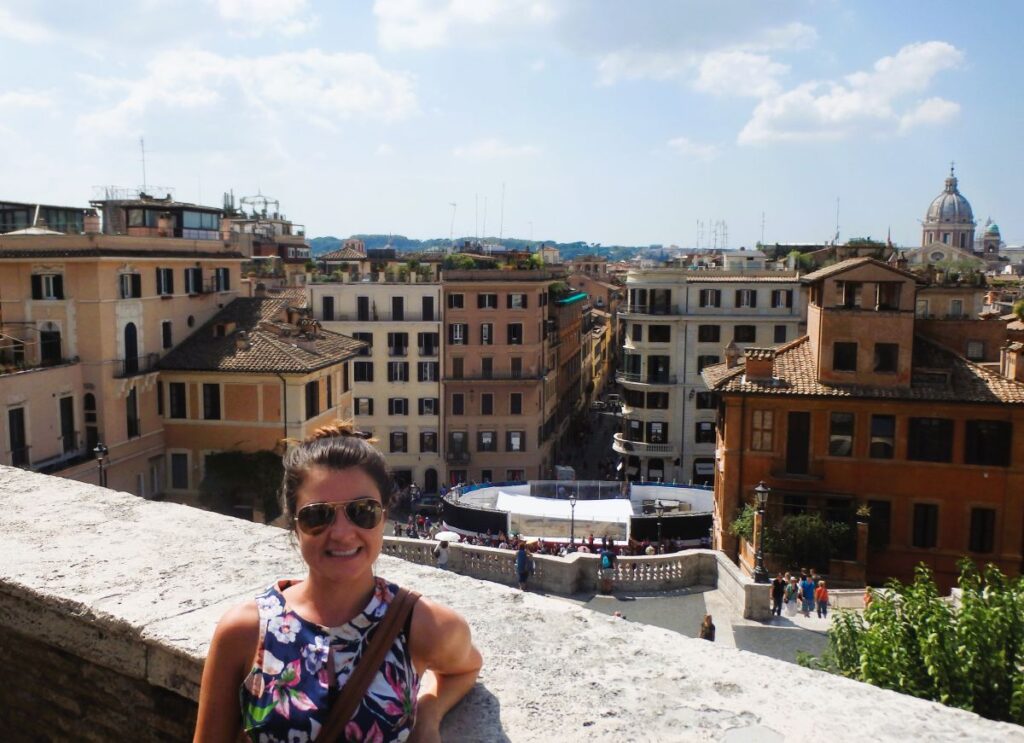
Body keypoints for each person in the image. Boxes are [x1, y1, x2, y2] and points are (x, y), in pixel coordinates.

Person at [194, 425, 483, 742]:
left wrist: (428, 713)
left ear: (384, 516)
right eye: (318, 516)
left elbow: (465, 669)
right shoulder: (245, 630)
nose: (343, 533)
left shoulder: (420, 624)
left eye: (363, 511)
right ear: (295, 525)